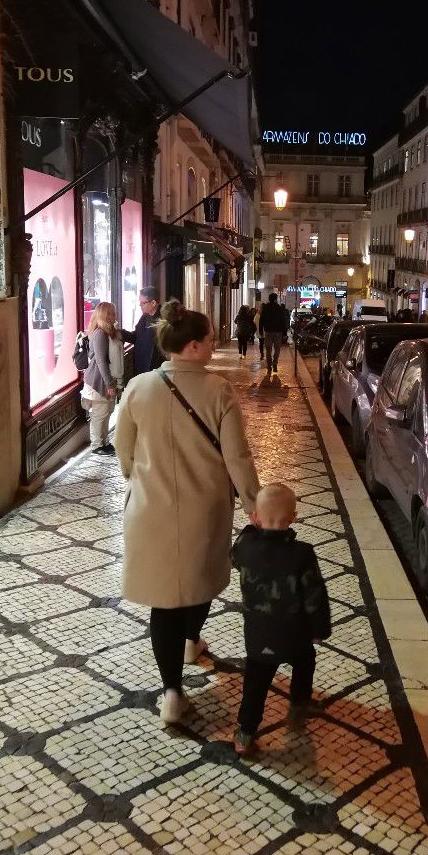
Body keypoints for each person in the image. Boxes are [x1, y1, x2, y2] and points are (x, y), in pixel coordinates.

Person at [115, 302, 260, 725]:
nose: (216, 343)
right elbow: (237, 457)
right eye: (211, 338)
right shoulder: (219, 392)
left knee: (165, 601)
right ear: (193, 346)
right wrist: (254, 502)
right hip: (206, 510)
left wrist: (144, 477)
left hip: (150, 512)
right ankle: (192, 639)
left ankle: (172, 693)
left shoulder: (138, 388)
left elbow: (124, 457)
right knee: (198, 583)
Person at [231, 482, 331, 755]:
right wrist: (320, 628)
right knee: (305, 660)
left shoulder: (245, 548)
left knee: (255, 682)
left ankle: (245, 732)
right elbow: (315, 595)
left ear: (254, 518)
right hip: (294, 635)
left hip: (258, 635)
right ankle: (299, 704)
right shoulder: (302, 553)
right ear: (293, 518)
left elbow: (234, 553)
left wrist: (253, 526)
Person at [82, 302, 122, 455]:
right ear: (104, 315)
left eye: (114, 313)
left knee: (107, 411)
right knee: (100, 412)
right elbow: (100, 361)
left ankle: (104, 441)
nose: (114, 316)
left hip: (106, 379)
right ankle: (97, 444)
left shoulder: (109, 331)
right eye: (111, 313)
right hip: (98, 380)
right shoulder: (100, 333)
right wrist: (109, 383)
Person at [122, 286, 164, 375]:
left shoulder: (163, 320)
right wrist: (120, 333)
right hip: (141, 365)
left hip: (154, 369)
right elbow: (136, 337)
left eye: (143, 302)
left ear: (153, 303)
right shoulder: (145, 316)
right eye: (140, 302)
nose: (140, 305)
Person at [259, 293, 285, 374]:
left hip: (268, 331)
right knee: (277, 349)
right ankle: (275, 363)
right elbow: (283, 320)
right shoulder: (279, 308)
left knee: (268, 349)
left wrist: (260, 330)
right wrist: (284, 332)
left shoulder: (266, 308)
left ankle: (269, 364)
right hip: (278, 332)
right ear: (275, 299)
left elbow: (261, 319)